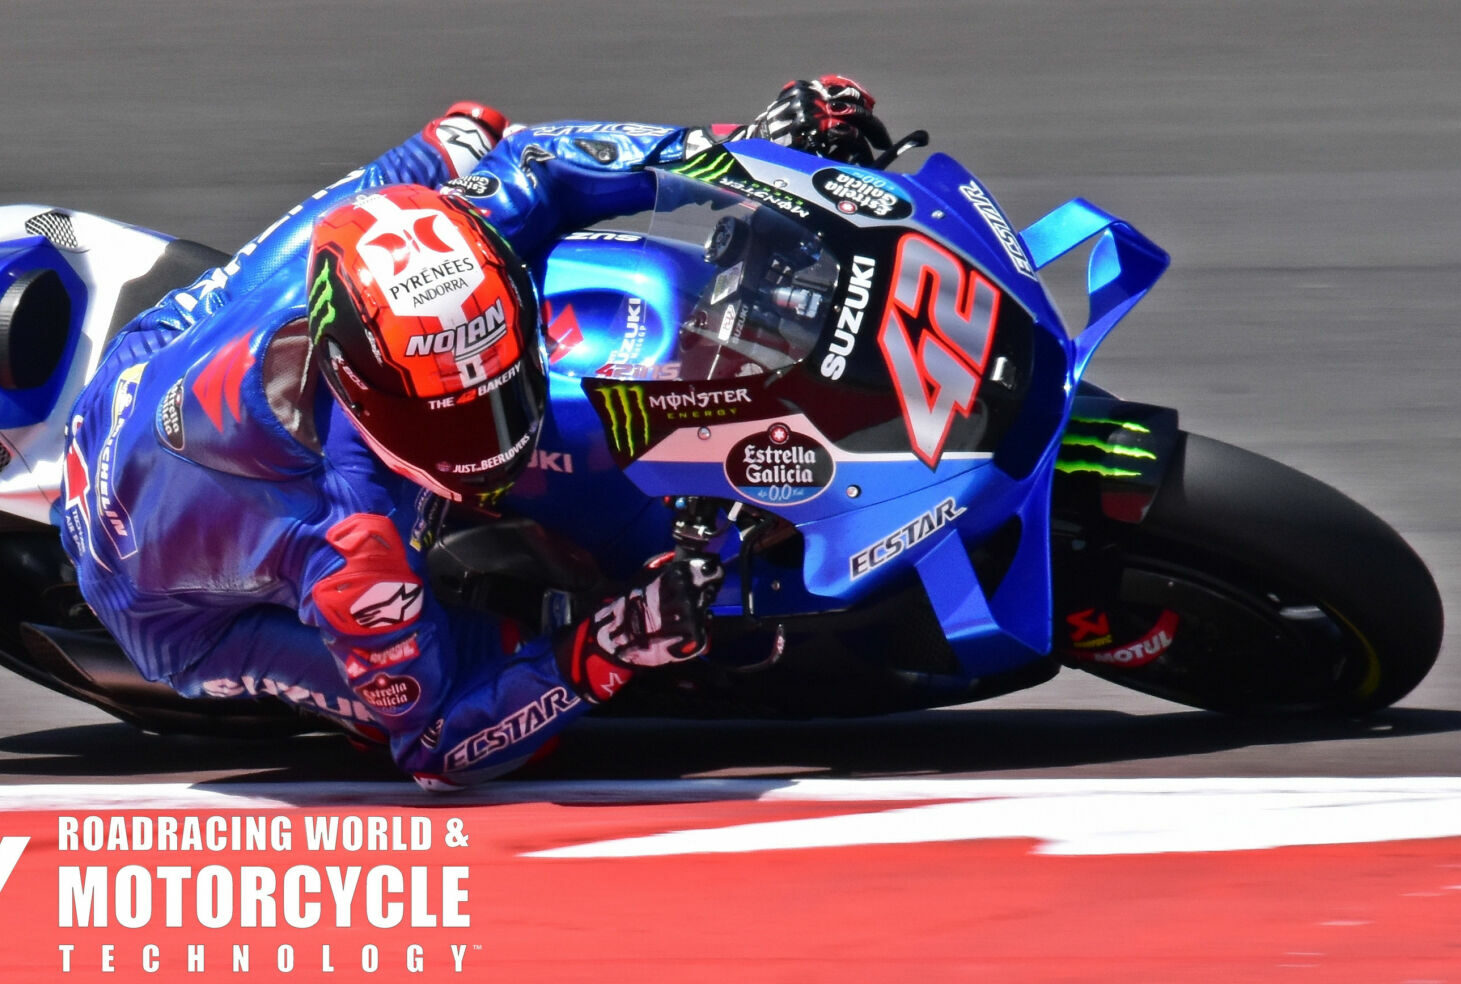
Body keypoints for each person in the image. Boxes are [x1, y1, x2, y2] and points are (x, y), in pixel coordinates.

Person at [60, 76, 891, 789]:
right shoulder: (353, 552)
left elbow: (542, 160)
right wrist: (612, 646)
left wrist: (746, 157)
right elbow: (438, 745)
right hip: (166, 603)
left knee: (466, 135)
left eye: (496, 391)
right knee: (495, 655)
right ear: (368, 388)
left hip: (164, 356)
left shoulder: (396, 238)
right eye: (457, 414)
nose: (492, 437)